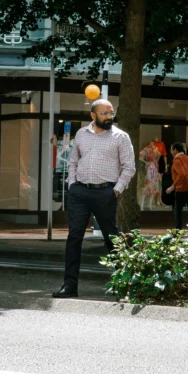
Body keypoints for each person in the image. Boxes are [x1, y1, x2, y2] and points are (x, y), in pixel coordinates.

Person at [53, 99, 135, 298]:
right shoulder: (81, 134)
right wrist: (72, 184)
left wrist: (116, 190)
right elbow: (73, 161)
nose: (109, 116)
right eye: (104, 113)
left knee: (111, 238)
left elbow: (129, 167)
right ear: (93, 115)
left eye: (110, 113)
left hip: (105, 193)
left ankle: (124, 285)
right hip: (79, 192)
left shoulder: (120, 137)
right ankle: (69, 286)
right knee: (74, 238)